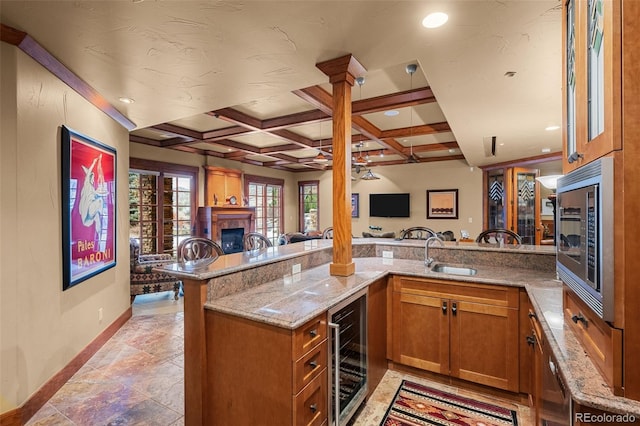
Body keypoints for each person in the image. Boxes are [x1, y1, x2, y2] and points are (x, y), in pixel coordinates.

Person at [78, 154, 104, 239]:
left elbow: (95, 195)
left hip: (90, 213)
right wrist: (94, 163)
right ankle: (101, 212)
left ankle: (99, 237)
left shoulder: (92, 188)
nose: (93, 179)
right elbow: (89, 172)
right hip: (88, 210)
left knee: (97, 218)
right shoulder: (87, 185)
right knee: (100, 201)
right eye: (92, 177)